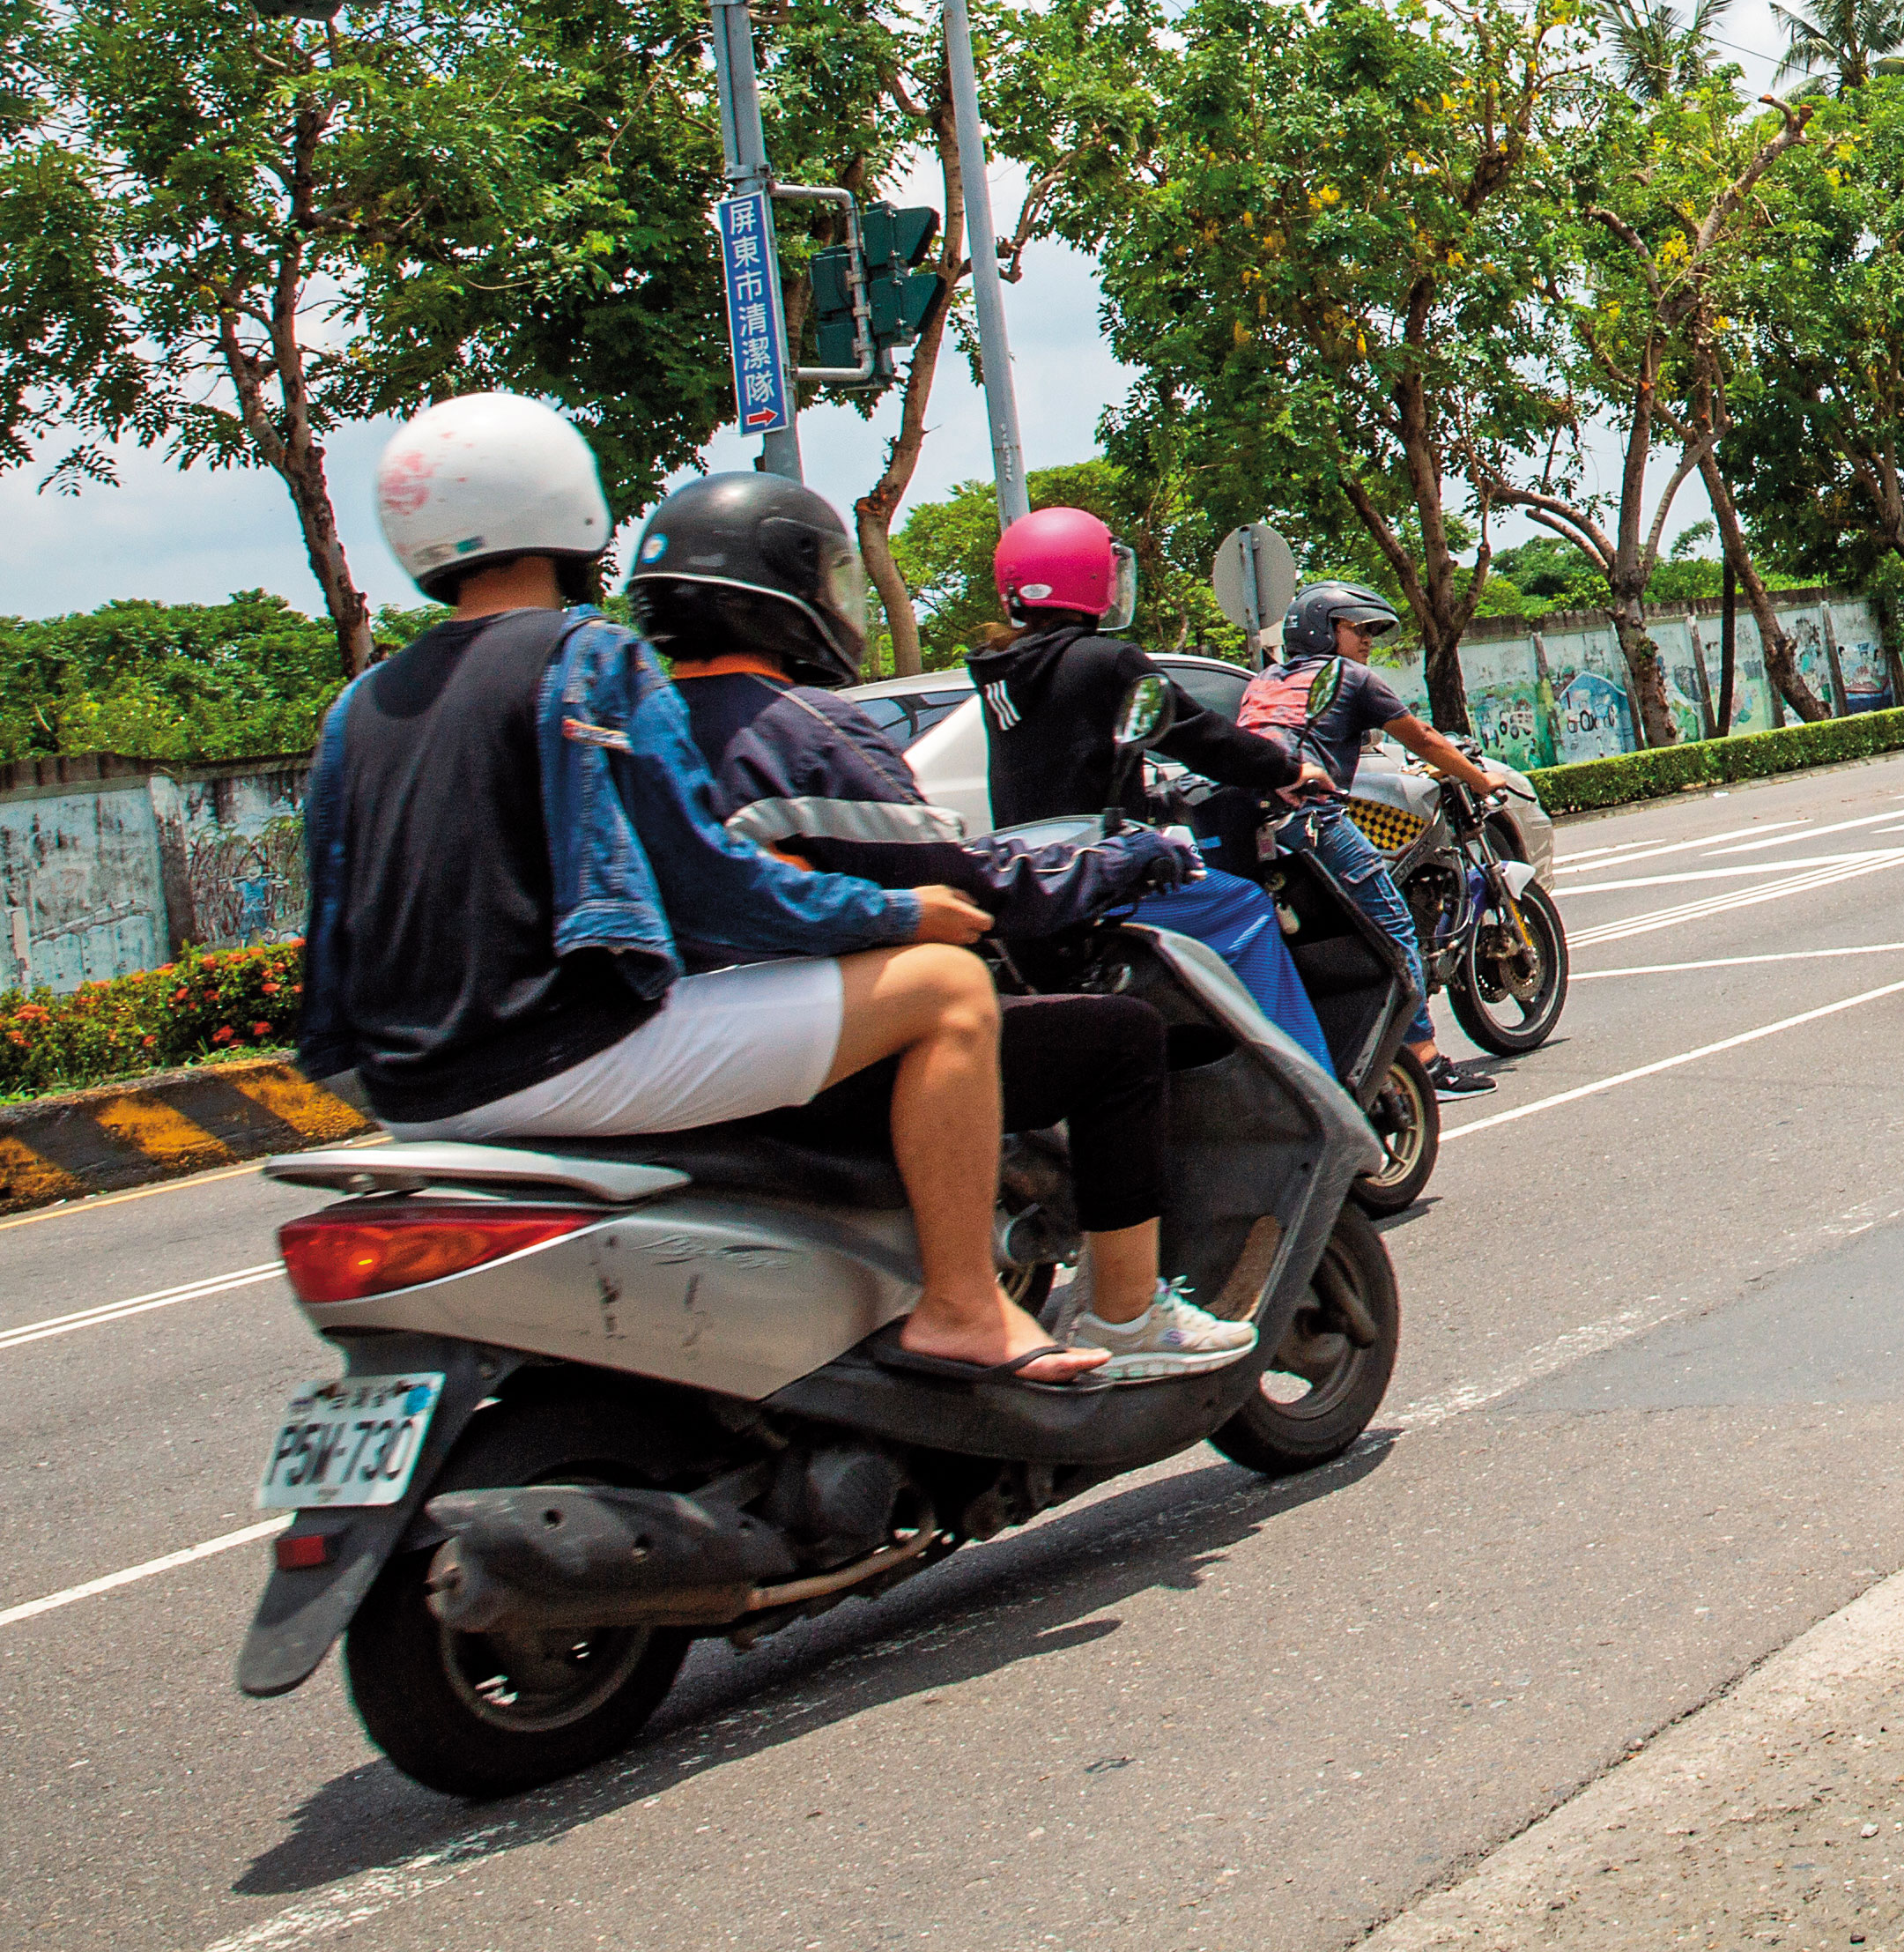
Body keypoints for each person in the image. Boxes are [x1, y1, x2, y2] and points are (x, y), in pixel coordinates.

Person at [292, 396, 1105, 1388]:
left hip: (410, 1101)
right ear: (573, 514)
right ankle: (967, 1308)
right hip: (559, 1055)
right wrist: (901, 914)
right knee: (946, 990)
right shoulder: (585, 658)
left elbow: (330, 924)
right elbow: (712, 885)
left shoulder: (357, 707)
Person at [618, 474, 1261, 1386]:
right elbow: (965, 891)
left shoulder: (628, 735)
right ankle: (1124, 1310)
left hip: (665, 1051)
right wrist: (1129, 862)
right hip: (809, 1050)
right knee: (1118, 1039)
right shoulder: (804, 734)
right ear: (786, 598)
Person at [959, 506, 1342, 1073]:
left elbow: (1070, 761)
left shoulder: (1001, 673)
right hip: (1105, 873)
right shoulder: (1106, 660)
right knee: (1247, 908)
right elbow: (1203, 737)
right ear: (1089, 577)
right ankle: (1314, 1082)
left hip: (1037, 880)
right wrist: (1288, 771)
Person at [1241, 583, 1511, 1096]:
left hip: (1256, 832)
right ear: (1324, 630)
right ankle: (1426, 1063)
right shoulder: (1349, 677)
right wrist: (1483, 779)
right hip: (1316, 822)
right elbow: (1423, 739)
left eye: (1370, 631)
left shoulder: (1265, 681)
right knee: (1393, 927)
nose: (1367, 639)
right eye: (1356, 628)